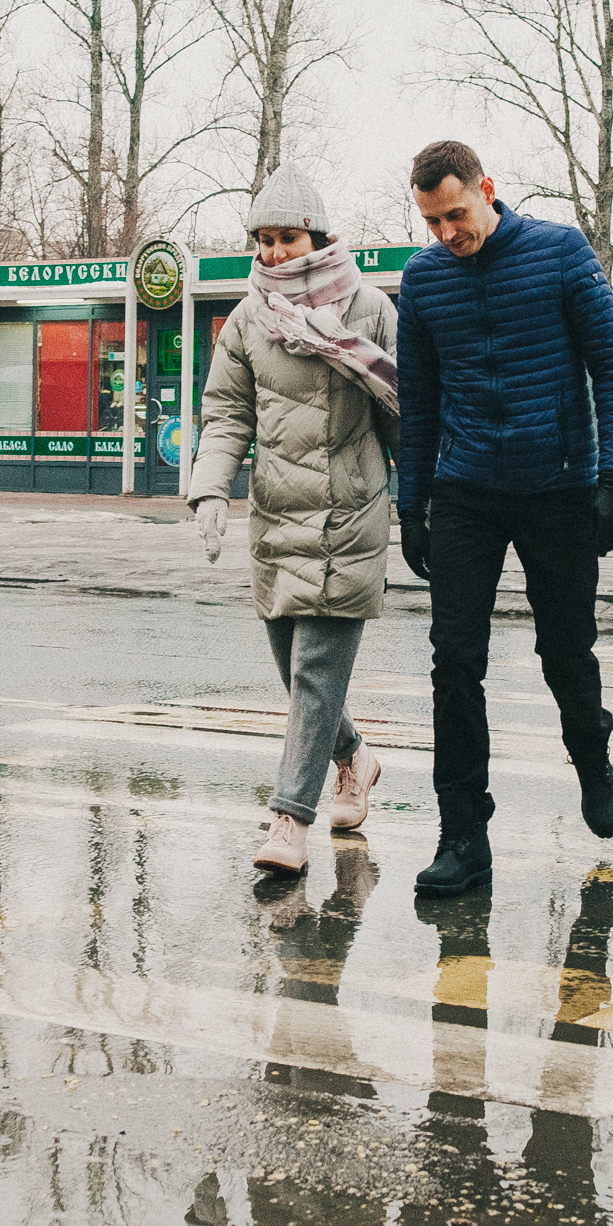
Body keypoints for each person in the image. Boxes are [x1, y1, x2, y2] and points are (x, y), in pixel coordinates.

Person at [394, 139, 613, 897]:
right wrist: (413, 506)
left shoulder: (561, 254)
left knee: (565, 651)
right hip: (466, 488)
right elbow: (421, 403)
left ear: (487, 190)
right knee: (454, 661)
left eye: (455, 215)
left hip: (558, 487)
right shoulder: (423, 281)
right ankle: (463, 836)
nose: (446, 234)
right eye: (431, 222)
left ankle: (591, 757)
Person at [189, 163, 398, 875]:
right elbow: (226, 413)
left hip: (349, 519)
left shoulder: (368, 310)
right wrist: (210, 489)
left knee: (314, 674)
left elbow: (404, 413)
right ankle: (355, 759)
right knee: (295, 670)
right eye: (265, 238)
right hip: (276, 521)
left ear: (318, 235)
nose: (275, 252)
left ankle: (289, 821)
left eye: (287, 236)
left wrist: (427, 505)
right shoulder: (250, 318)